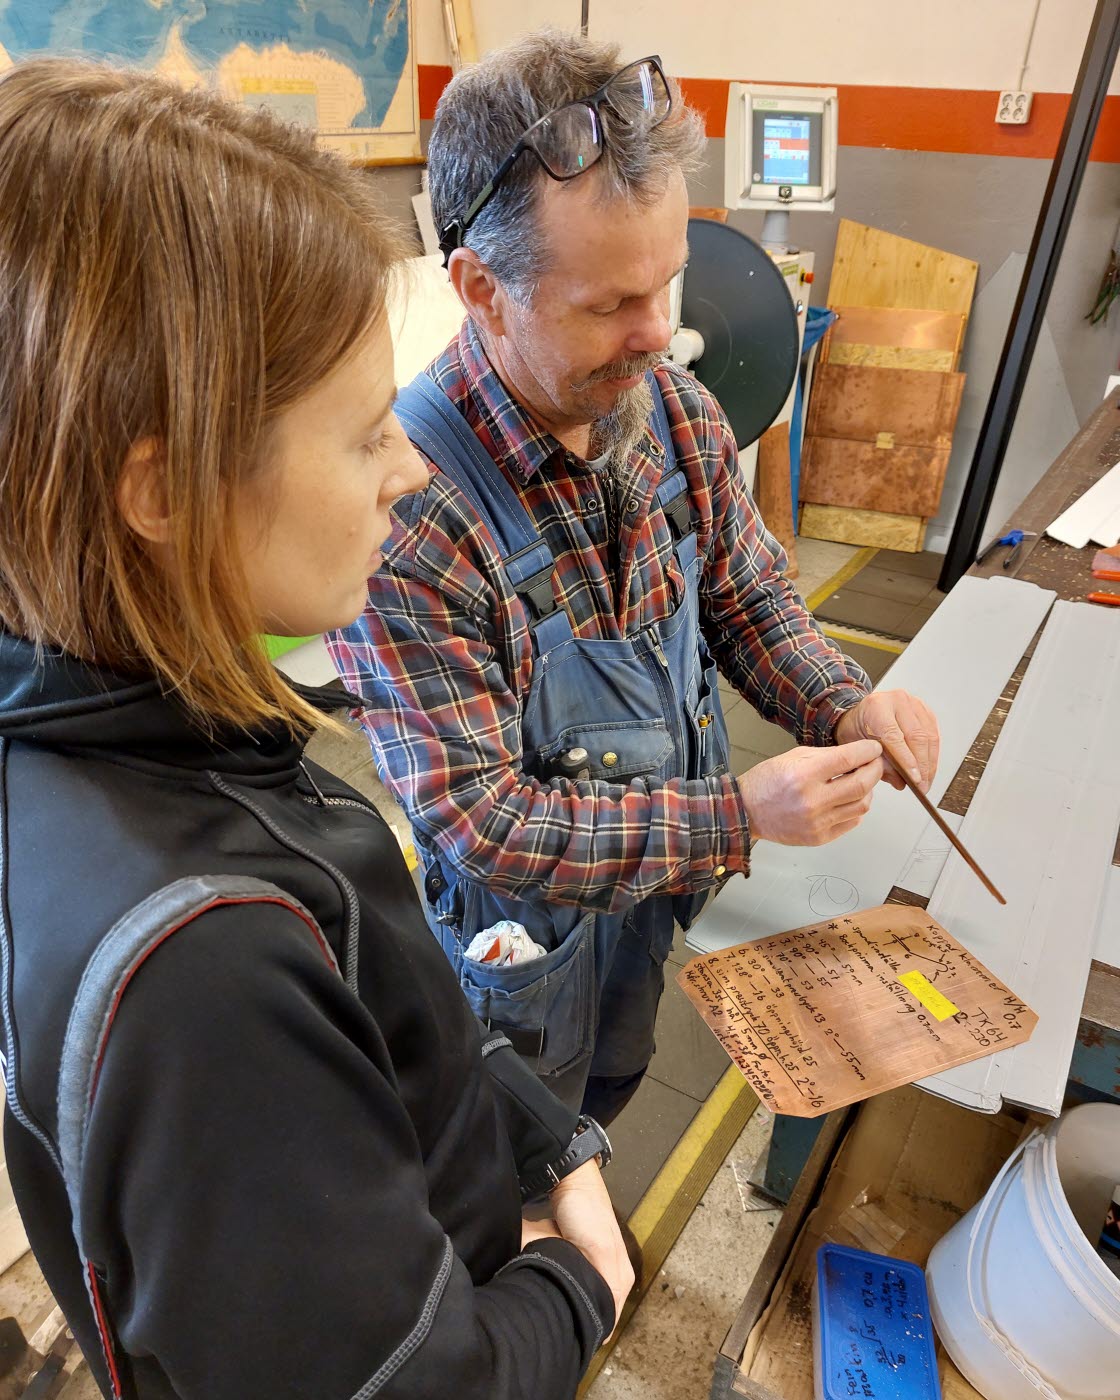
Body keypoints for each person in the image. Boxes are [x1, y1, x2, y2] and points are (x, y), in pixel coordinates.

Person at [0, 58, 632, 1400]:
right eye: (358, 438)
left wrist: (522, 1120)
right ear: (164, 488)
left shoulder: (103, 731)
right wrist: (580, 1284)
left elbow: (367, 1017)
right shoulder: (204, 976)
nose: (406, 463)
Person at [330, 29, 941, 1127]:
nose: (660, 333)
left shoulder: (673, 409)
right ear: (481, 287)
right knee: (508, 1150)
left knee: (607, 1092)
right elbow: (482, 818)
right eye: (610, 304)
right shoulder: (409, 509)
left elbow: (750, 598)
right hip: (518, 955)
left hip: (647, 909)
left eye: (667, 282)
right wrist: (740, 814)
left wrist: (847, 698)